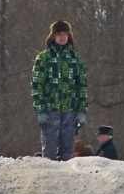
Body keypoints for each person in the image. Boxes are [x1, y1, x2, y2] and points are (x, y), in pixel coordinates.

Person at [31, 20, 88, 161]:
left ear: (69, 36)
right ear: (53, 36)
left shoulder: (75, 59)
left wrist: (82, 110)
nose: (62, 37)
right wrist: (40, 110)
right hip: (50, 109)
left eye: (65, 34)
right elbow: (37, 85)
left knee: (68, 152)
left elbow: (82, 86)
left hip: (70, 110)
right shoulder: (44, 58)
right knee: (49, 150)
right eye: (59, 34)